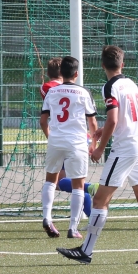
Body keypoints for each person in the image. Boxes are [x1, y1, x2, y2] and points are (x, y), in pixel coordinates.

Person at [57, 46, 138, 265]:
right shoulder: (131, 83)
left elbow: (114, 119)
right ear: (122, 64)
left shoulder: (110, 86)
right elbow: (124, 118)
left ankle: (86, 251)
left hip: (124, 149)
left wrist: (100, 147)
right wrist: (103, 130)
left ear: (102, 65)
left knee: (100, 199)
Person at [39, 56, 97, 239]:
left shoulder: (52, 92)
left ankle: (47, 218)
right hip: (77, 142)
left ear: (61, 73)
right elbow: (92, 122)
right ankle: (73, 227)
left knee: (50, 181)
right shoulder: (83, 92)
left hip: (56, 141)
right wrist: (94, 144)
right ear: (76, 74)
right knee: (78, 186)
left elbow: (43, 121)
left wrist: (51, 137)